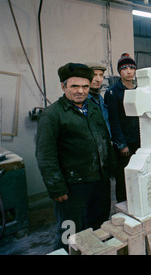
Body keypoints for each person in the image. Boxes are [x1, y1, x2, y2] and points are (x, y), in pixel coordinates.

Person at [35, 63, 115, 251]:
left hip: (99, 181)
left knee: (98, 225)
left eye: (85, 86)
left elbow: (104, 139)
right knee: (69, 229)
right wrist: (56, 187)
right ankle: (63, 252)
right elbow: (45, 155)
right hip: (72, 187)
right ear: (63, 87)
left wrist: (109, 170)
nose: (81, 91)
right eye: (74, 86)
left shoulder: (93, 109)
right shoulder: (52, 115)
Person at [104, 53, 140, 203]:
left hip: (138, 140)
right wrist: (121, 144)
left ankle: (137, 203)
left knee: (138, 175)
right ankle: (122, 205)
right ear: (120, 71)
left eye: (132, 67)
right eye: (125, 68)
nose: (129, 71)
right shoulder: (113, 92)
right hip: (124, 144)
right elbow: (114, 120)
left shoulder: (139, 89)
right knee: (123, 177)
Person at [86, 63, 111, 135]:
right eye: (94, 75)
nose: (98, 79)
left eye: (101, 75)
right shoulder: (82, 101)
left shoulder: (100, 98)